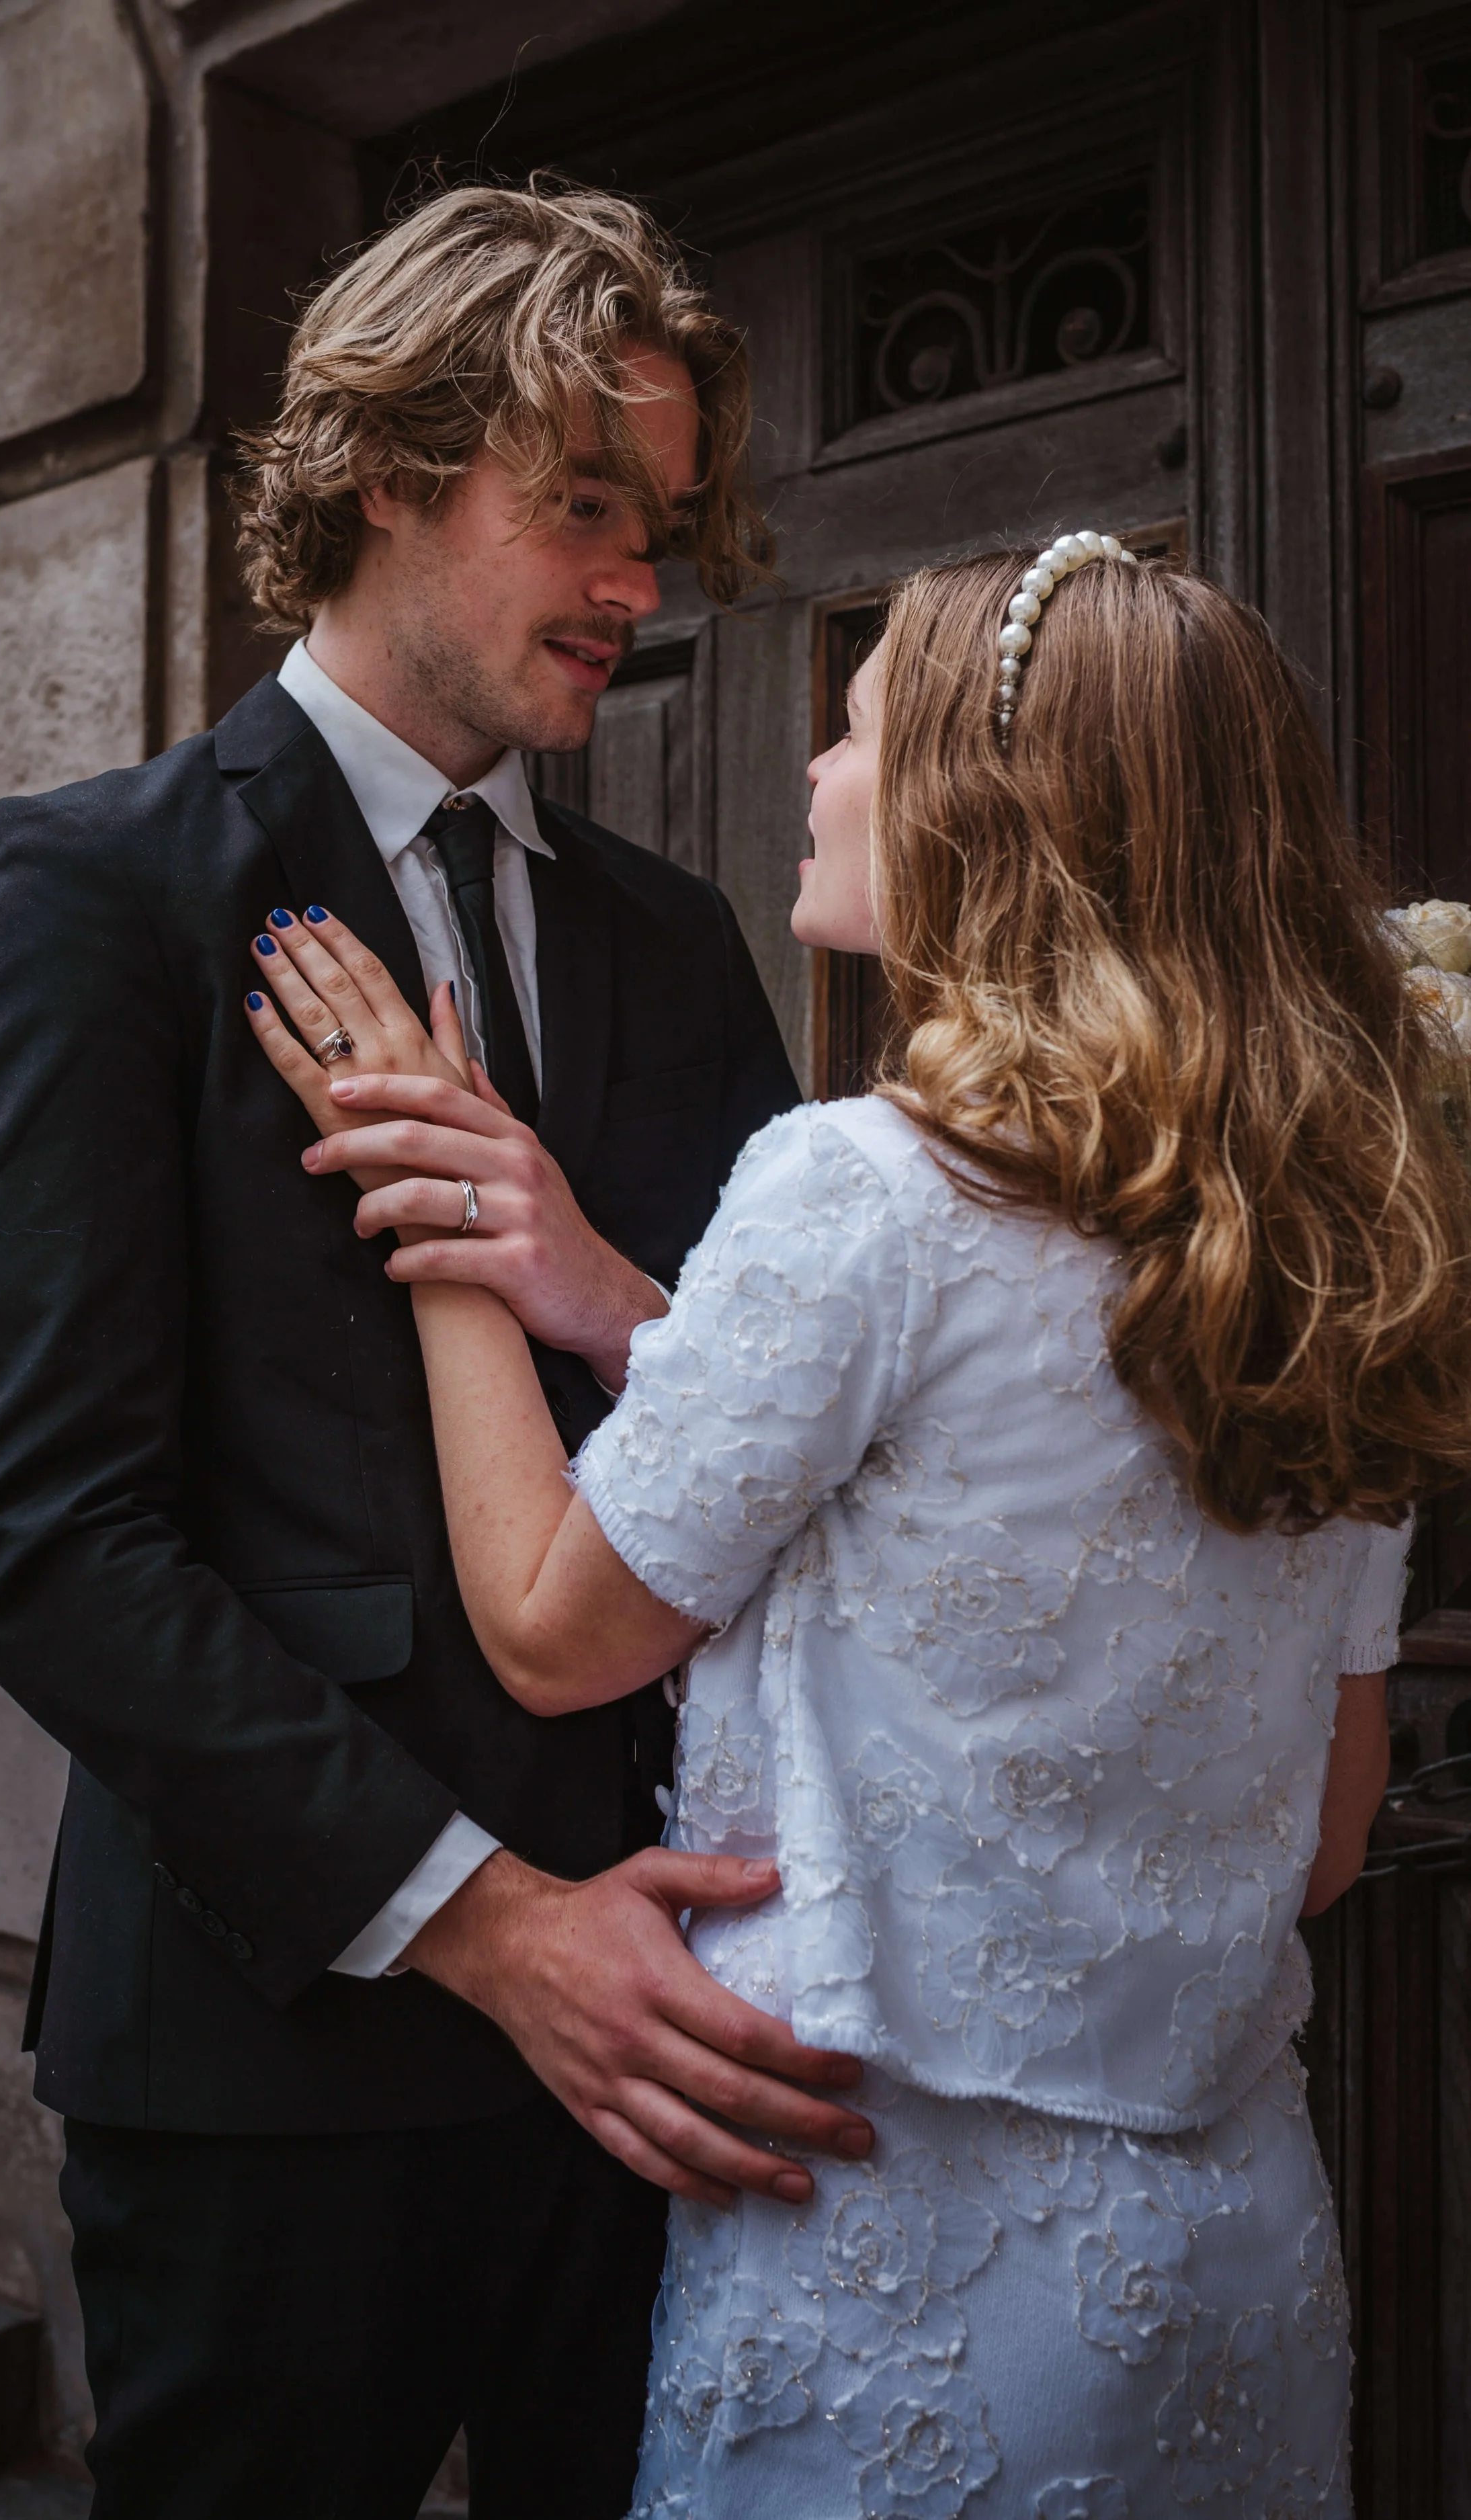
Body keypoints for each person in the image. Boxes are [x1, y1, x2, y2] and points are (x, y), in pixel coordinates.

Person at [245, 538, 1471, 2514]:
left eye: (858, 727)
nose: (814, 770)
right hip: (1219, 2251)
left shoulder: (860, 1188)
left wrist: (450, 1228)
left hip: (890, 2254)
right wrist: (617, 1296)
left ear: (983, 819)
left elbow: (558, 1626)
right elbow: (1319, 1840)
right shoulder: (1331, 1264)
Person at [0, 180, 878, 2520]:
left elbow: (773, 1444)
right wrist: (490, 1926)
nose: (639, 589)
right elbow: (41, 1531)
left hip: (669, 2035)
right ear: (385, 468)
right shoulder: (98, 889)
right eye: (579, 511)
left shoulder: (676, 942)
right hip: (268, 2064)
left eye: (657, 527)